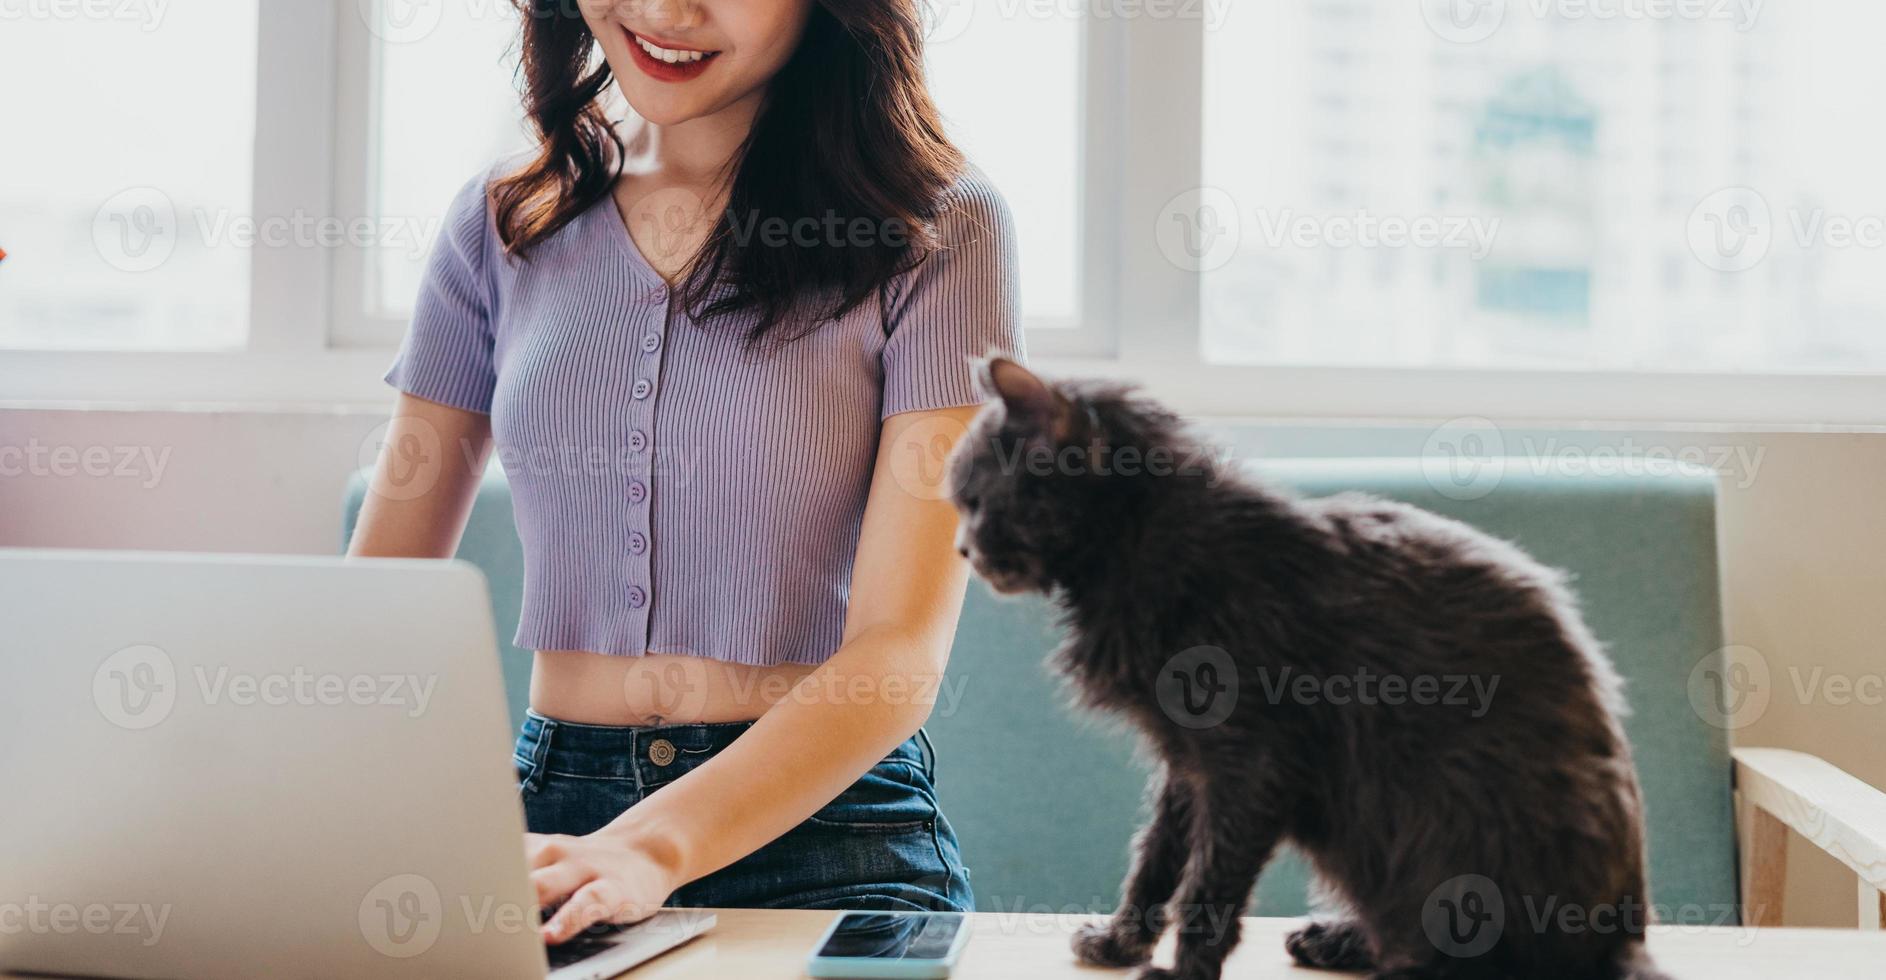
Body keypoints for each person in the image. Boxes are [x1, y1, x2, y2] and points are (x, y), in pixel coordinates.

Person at [347, 0, 1021, 944]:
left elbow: (898, 652)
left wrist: (652, 850)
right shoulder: (502, 221)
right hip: (550, 825)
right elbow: (373, 612)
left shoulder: (938, 228)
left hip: (831, 836)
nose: (666, 11)